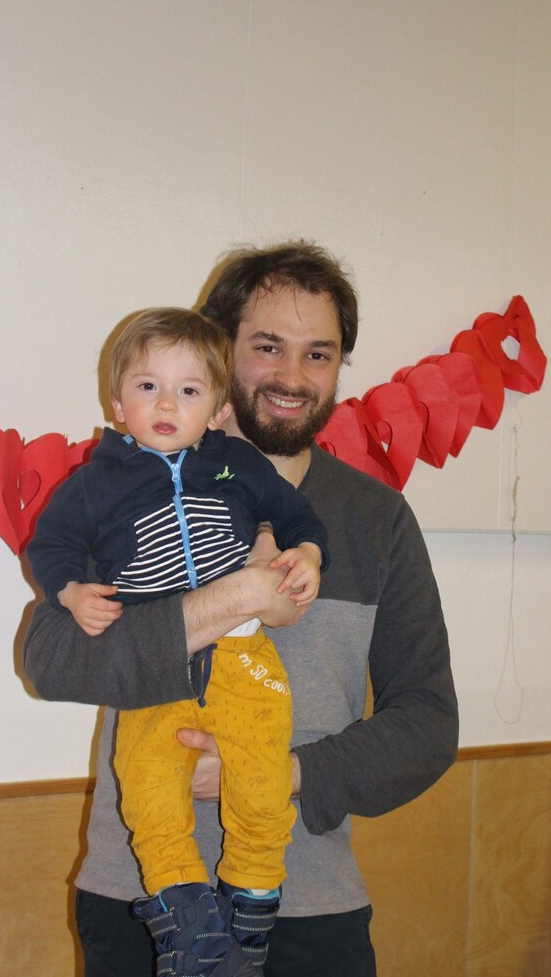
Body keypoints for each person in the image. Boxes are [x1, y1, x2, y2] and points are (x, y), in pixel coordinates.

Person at [23, 240, 459, 977]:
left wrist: (276, 773)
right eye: (267, 347)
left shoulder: (374, 519)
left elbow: (428, 724)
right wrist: (230, 601)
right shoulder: (118, 493)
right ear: (219, 352)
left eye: (318, 354)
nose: (292, 377)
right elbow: (50, 663)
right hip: (137, 900)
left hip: (310, 907)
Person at [26, 308, 329, 976]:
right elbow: (51, 544)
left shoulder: (237, 464)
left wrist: (307, 551)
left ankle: (250, 916)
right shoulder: (94, 483)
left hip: (245, 657)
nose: (167, 404)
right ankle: (190, 934)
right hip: (155, 673)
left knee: (262, 785)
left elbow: (294, 513)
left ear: (217, 409)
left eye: (188, 390)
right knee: (149, 794)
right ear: (117, 403)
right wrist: (71, 592)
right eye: (148, 387)